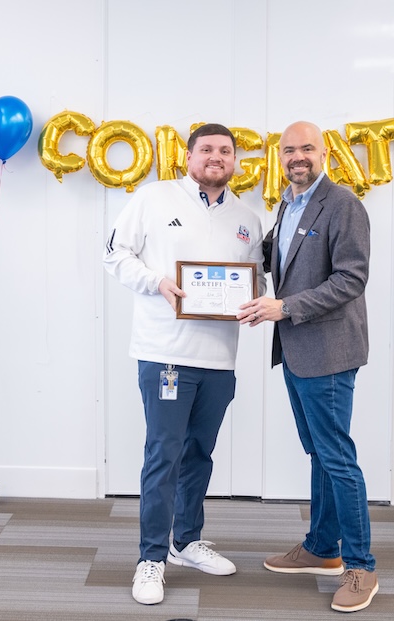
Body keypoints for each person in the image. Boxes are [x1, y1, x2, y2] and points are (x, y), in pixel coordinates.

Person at [104, 123, 266, 605]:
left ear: (235, 160)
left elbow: (253, 278)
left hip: (219, 358)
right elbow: (115, 254)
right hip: (165, 353)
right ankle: (150, 558)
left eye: (225, 151)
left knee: (199, 453)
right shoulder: (153, 198)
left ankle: (185, 540)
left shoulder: (247, 218)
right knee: (164, 455)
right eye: (207, 150)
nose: (216, 157)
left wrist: (255, 300)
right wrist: (157, 283)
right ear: (189, 156)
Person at [237, 121, 377, 613]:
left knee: (338, 457)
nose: (298, 156)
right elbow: (279, 258)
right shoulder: (288, 203)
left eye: (307, 148)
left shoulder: (342, 205)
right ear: (281, 156)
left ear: (325, 153)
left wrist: (285, 308)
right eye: (289, 149)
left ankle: (360, 567)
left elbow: (350, 279)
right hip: (297, 349)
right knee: (320, 452)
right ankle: (322, 548)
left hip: (330, 351)